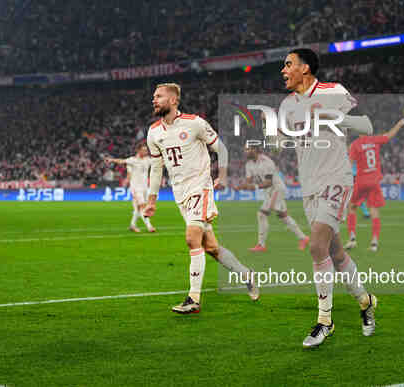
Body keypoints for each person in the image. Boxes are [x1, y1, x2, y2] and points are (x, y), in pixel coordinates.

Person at [279, 48, 377, 348]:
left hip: (336, 179)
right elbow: (284, 140)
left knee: (317, 245)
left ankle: (325, 321)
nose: (283, 70)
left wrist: (331, 116)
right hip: (309, 187)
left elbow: (367, 126)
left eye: (288, 64)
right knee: (334, 253)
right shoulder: (286, 105)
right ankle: (365, 299)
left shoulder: (333, 91)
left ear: (305, 68)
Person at [143, 83, 259, 314]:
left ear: (174, 100)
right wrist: (152, 199)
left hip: (201, 186)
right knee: (211, 248)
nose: (154, 100)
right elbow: (156, 169)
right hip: (180, 193)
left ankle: (193, 299)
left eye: (159, 96)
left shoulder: (194, 123)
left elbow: (221, 149)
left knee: (191, 238)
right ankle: (247, 274)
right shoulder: (153, 132)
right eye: (153, 96)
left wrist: (222, 176)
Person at [232, 146, 309, 252]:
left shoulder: (267, 162)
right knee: (283, 216)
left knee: (262, 214)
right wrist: (240, 187)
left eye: (249, 149)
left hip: (276, 189)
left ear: (256, 149)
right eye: (245, 149)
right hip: (268, 192)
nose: (246, 152)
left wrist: (254, 187)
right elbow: (248, 181)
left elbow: (268, 182)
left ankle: (261, 245)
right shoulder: (249, 164)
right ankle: (303, 238)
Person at [345, 118, 404, 252]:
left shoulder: (355, 144)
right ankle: (374, 243)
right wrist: (399, 124)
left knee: (352, 206)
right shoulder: (375, 140)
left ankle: (352, 238)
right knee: (374, 211)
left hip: (361, 181)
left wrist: (345, 179)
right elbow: (389, 135)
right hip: (374, 181)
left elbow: (349, 164)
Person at [105, 142, 155, 233]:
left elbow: (158, 163)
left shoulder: (148, 160)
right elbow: (121, 161)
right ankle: (149, 226)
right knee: (143, 206)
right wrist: (111, 160)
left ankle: (132, 225)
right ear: (138, 150)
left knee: (137, 209)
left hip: (145, 188)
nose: (146, 152)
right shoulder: (132, 160)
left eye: (146, 150)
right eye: (144, 150)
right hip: (136, 188)